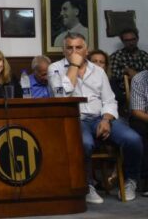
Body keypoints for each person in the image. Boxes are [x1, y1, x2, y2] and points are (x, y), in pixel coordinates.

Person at [49, 32, 142, 203]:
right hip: (74, 119)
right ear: (63, 50)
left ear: (86, 50)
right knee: (85, 143)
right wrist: (74, 67)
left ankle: (131, 180)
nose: (74, 51)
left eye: (78, 47)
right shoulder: (54, 68)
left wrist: (106, 120)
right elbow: (61, 95)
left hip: (100, 118)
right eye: (69, 48)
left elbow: (109, 100)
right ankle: (87, 185)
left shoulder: (98, 71)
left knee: (133, 139)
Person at [110, 28, 148, 118]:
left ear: (137, 39)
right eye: (127, 40)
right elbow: (113, 74)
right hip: (124, 92)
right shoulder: (117, 55)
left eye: (133, 39)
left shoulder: (144, 55)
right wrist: (126, 71)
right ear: (122, 41)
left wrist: (136, 75)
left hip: (144, 90)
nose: (130, 43)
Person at [129, 69, 148, 195]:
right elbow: (136, 111)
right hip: (145, 117)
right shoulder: (140, 79)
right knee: (140, 127)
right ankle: (146, 179)